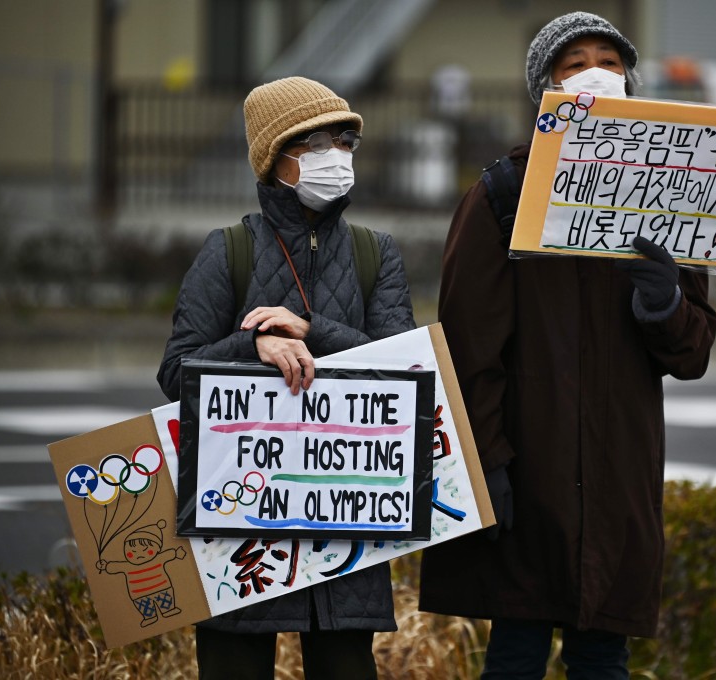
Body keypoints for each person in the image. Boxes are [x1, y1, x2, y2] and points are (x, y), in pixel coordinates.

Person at [418, 12, 716, 679]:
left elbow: (692, 353)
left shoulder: (669, 190)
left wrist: (664, 302)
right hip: (528, 472)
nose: (595, 74)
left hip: (619, 476)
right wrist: (488, 464)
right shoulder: (501, 195)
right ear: (546, 90)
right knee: (518, 649)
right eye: (574, 62)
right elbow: (469, 349)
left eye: (610, 62)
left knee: (601, 654)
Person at [158, 76, 416, 680]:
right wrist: (254, 345)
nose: (338, 156)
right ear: (278, 159)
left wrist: (310, 329)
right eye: (319, 142)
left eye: (345, 142)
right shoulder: (228, 250)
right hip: (240, 533)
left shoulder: (376, 253)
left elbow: (404, 370)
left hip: (345, 524)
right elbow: (177, 370)